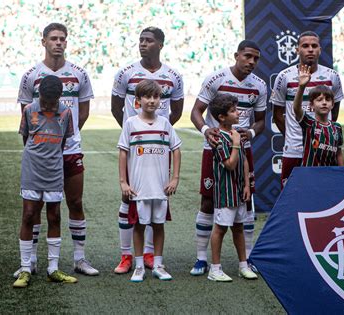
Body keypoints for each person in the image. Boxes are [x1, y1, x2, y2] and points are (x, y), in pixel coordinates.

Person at [15, 23, 97, 278]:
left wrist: (64, 133)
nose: (59, 42)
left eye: (63, 38)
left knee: (74, 201)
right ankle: (31, 262)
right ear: (44, 42)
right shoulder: (31, 75)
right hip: (42, 153)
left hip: (70, 149)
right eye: (54, 38)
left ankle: (79, 259)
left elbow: (82, 112)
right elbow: (27, 118)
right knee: (35, 207)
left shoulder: (79, 74)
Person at [190, 40, 267, 276]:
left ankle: (248, 260)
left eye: (256, 58)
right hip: (214, 149)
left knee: (246, 201)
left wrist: (251, 132)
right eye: (247, 56)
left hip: (242, 149)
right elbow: (195, 111)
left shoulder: (260, 86)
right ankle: (202, 258)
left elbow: (262, 120)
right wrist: (206, 130)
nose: (251, 62)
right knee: (207, 201)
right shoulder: (216, 79)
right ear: (237, 55)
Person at [111, 27, 184, 273]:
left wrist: (157, 135)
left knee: (155, 199)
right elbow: (116, 106)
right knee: (128, 199)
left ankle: (150, 255)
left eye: (148, 40)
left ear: (160, 45)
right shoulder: (126, 73)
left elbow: (177, 110)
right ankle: (126, 256)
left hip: (158, 146)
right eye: (140, 39)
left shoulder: (173, 75)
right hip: (135, 145)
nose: (142, 44)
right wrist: (134, 132)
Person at [14, 75, 77, 288]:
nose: (48, 106)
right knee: (29, 214)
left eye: (52, 102)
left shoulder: (66, 113)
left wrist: (51, 158)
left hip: (54, 170)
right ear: (39, 96)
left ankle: (53, 269)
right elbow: (26, 139)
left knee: (55, 215)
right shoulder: (29, 110)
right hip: (32, 168)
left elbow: (64, 141)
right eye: (45, 102)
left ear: (60, 97)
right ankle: (25, 269)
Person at [117, 80, 181, 282]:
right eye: (147, 97)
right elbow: (122, 153)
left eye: (155, 97)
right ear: (138, 100)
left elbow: (176, 150)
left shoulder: (165, 123)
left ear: (160, 100)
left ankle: (158, 264)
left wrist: (175, 178)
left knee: (159, 225)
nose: (152, 101)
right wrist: (123, 182)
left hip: (161, 188)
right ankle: (138, 266)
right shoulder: (131, 124)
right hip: (139, 188)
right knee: (139, 226)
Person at [272, 31, 344, 186]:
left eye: (314, 46)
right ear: (297, 50)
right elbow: (277, 114)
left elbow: (335, 111)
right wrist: (291, 135)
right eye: (305, 46)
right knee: (291, 194)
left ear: (320, 50)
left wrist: (323, 134)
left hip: (324, 148)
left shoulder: (332, 76)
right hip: (294, 148)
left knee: (326, 192)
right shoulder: (284, 76)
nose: (310, 49)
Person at [207, 94, 257, 282]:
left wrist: (246, 184)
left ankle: (243, 266)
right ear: (222, 117)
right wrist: (236, 144)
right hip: (225, 191)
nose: (238, 113)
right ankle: (215, 269)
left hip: (238, 189)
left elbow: (243, 162)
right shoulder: (217, 137)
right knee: (220, 229)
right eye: (234, 110)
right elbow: (229, 164)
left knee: (239, 228)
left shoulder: (236, 133)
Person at [292, 65, 344, 167]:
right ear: (311, 105)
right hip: (311, 174)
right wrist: (302, 86)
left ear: (333, 104)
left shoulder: (337, 127)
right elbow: (296, 109)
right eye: (319, 100)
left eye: (328, 100)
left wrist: (343, 173)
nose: (324, 103)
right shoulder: (309, 124)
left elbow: (338, 153)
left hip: (331, 174)